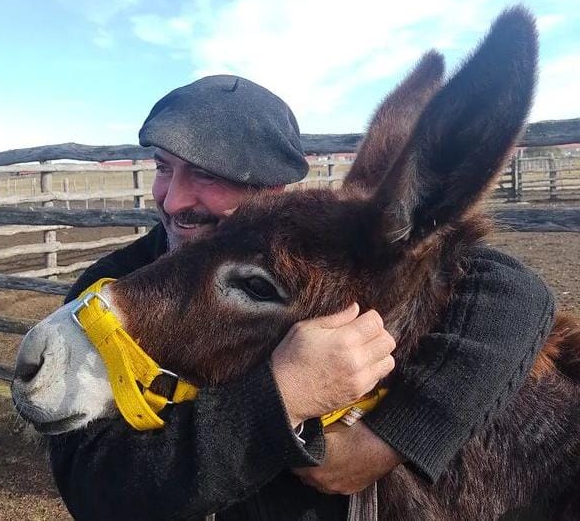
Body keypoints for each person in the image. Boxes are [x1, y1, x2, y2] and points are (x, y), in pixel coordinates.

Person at [49, 75, 555, 521]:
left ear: (274, 192)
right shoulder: (113, 287)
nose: (173, 199)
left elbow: (514, 290)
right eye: (164, 168)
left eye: (206, 176)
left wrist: (393, 439)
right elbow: (96, 487)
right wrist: (282, 396)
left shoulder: (315, 258)